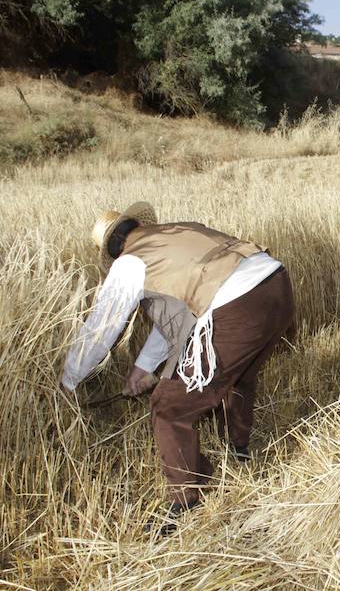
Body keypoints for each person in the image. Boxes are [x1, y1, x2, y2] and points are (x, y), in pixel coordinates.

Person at [60, 202, 295, 530]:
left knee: (169, 406)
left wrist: (68, 380)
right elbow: (177, 310)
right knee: (236, 373)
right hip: (277, 286)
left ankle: (187, 500)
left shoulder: (129, 263)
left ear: (112, 251)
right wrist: (143, 368)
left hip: (238, 306)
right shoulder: (175, 234)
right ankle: (239, 450)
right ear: (135, 227)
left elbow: (100, 331)